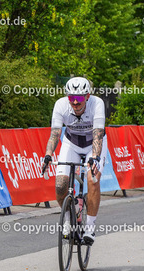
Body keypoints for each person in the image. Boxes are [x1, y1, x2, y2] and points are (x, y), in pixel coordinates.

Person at [42, 77, 107, 245]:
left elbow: (98, 134)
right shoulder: (61, 105)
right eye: (72, 98)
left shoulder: (97, 104)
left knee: (93, 180)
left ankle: (90, 227)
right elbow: (55, 134)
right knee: (60, 185)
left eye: (79, 98)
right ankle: (68, 219)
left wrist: (95, 157)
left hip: (93, 144)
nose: (75, 102)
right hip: (71, 143)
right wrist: (48, 155)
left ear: (87, 96)